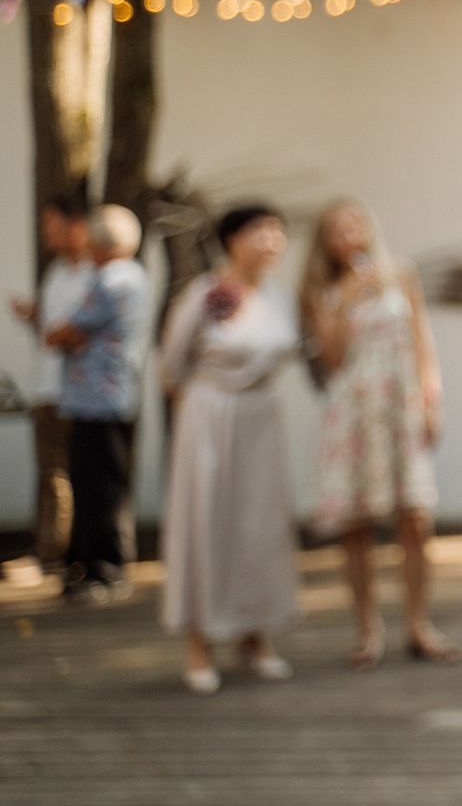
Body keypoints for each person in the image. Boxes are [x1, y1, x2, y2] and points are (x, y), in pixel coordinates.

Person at [302, 198, 460, 668]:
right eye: (337, 229)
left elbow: (421, 338)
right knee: (357, 524)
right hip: (353, 409)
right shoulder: (322, 289)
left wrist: (432, 399)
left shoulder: (400, 273)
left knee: (416, 518)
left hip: (400, 403)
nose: (349, 234)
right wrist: (346, 297)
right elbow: (330, 360)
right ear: (326, 241)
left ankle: (419, 624)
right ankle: (368, 630)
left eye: (355, 224)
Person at [161, 204, 303, 694]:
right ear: (232, 239)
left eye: (276, 229)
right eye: (258, 229)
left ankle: (255, 635)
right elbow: (171, 366)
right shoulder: (204, 295)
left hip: (261, 418)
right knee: (207, 522)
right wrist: (203, 413)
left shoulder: (282, 298)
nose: (269, 239)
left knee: (260, 525)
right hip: (211, 417)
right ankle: (200, 643)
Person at [50, 204, 150, 601]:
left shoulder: (110, 280)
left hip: (98, 398)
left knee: (98, 484)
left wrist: (58, 333)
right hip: (112, 396)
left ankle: (105, 569)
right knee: (103, 481)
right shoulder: (136, 276)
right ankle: (96, 564)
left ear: (98, 243)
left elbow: (67, 331)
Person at [11, 193, 92, 579]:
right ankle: (48, 550)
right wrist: (37, 318)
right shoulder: (58, 271)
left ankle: (58, 555)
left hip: (74, 390)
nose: (47, 236)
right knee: (49, 471)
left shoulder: (97, 273)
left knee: (64, 473)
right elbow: (52, 329)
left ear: (77, 225)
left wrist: (61, 333)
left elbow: (81, 332)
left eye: (52, 226)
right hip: (44, 385)